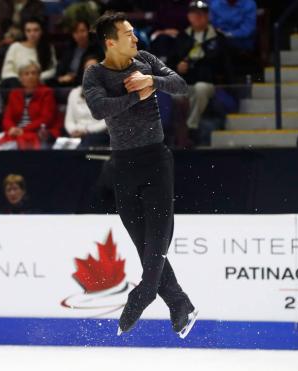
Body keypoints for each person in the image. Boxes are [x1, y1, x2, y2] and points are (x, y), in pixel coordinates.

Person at [82, 12, 197, 337]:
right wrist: (136, 95)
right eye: (129, 34)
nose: (136, 38)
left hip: (156, 163)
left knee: (156, 246)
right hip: (123, 167)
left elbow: (180, 85)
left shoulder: (145, 60)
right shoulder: (94, 75)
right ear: (111, 42)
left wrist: (152, 82)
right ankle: (180, 304)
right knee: (144, 246)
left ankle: (142, 295)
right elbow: (98, 109)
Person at [171, 0, 233, 136]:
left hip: (209, 84)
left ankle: (191, 128)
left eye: (201, 14)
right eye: (194, 14)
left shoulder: (218, 38)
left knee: (200, 89)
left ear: (208, 16)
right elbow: (171, 62)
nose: (197, 17)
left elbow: (225, 66)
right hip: (185, 82)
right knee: (173, 95)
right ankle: (172, 132)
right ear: (188, 17)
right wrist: (178, 67)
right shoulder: (182, 37)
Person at [0, 60, 59, 150]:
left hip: (37, 131)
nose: (30, 76)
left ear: (38, 76)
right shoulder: (14, 94)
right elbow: (7, 117)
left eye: (33, 73)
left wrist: (23, 130)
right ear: (20, 78)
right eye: (26, 74)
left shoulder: (46, 92)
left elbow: (46, 119)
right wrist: (11, 128)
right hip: (16, 132)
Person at [64, 55, 109, 148]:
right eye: (87, 68)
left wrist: (85, 130)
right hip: (75, 134)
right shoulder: (74, 93)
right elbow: (69, 120)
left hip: (98, 134)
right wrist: (73, 131)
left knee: (85, 144)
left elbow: (106, 121)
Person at [0, 17, 58, 84]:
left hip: (40, 84)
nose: (32, 34)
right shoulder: (15, 47)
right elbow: (6, 73)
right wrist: (24, 79)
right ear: (24, 32)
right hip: (16, 85)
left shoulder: (48, 48)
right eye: (28, 31)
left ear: (41, 31)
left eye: (36, 30)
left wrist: (34, 78)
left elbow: (53, 70)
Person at [54, 19, 102, 86]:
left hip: (85, 84)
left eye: (82, 31)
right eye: (76, 32)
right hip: (66, 84)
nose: (80, 35)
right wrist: (61, 78)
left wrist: (74, 78)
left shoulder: (97, 49)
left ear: (88, 31)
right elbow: (59, 69)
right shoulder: (69, 49)